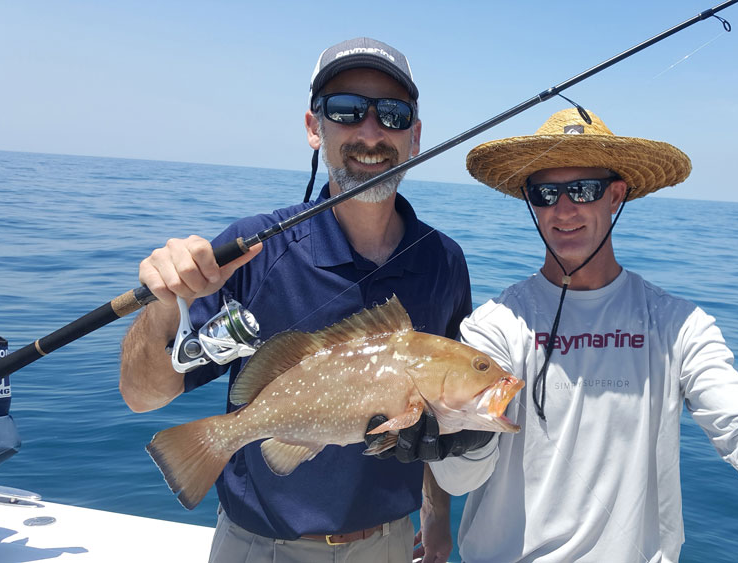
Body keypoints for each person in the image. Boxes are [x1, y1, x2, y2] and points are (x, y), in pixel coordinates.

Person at [429, 108, 738, 562]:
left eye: (582, 190)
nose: (563, 209)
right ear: (531, 203)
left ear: (617, 195)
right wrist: (454, 432)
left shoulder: (676, 323)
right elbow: (461, 479)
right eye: (545, 193)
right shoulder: (493, 326)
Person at [120, 37, 473, 563]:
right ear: (315, 128)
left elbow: (438, 408)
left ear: (415, 137)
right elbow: (142, 397)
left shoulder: (442, 260)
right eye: (347, 110)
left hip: (391, 543)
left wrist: (437, 514)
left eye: (393, 115)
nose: (371, 133)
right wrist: (162, 306)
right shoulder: (254, 248)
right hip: (258, 545)